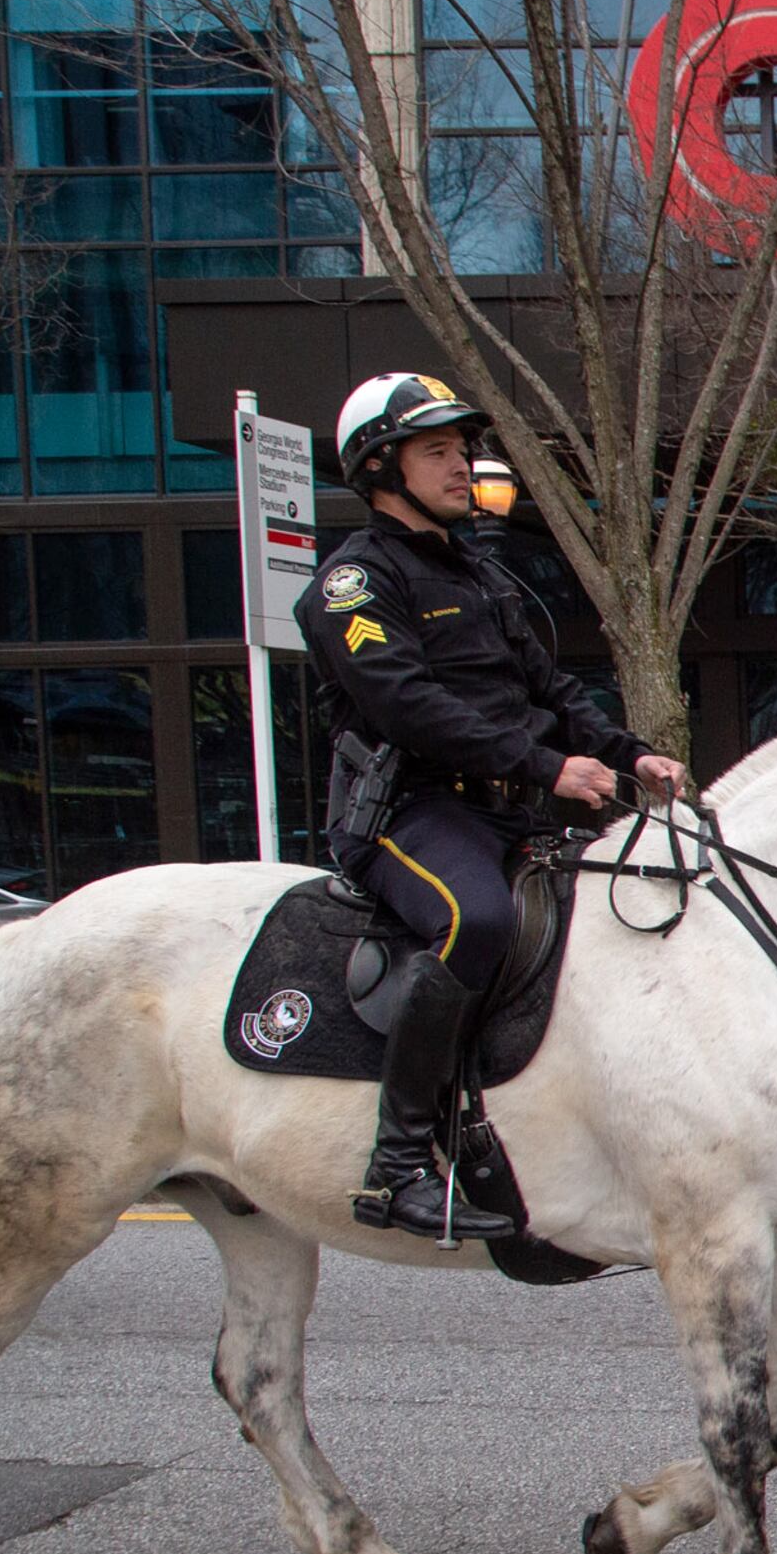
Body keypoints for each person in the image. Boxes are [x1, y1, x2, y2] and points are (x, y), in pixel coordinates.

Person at [295, 374, 687, 1240]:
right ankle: (395, 1168)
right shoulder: (352, 584)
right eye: (436, 451)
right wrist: (547, 766)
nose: (461, 465)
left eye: (462, 449)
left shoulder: (480, 573)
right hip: (412, 814)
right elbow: (409, 708)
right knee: (472, 921)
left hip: (517, 809)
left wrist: (628, 753)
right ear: (379, 466)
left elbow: (549, 690)